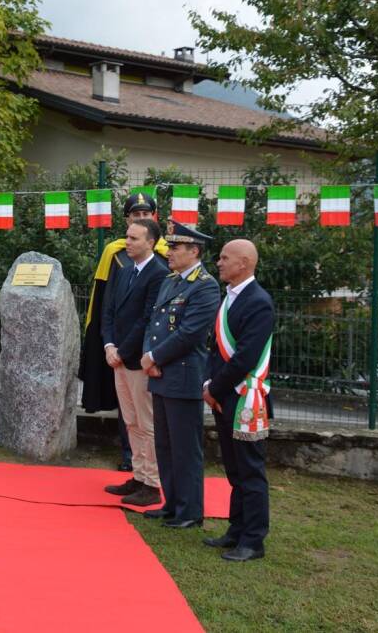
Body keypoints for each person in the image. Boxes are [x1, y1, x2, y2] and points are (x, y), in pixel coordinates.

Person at [79, 191, 169, 471]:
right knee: (128, 411)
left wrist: (126, 349)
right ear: (128, 219)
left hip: (146, 349)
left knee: (147, 414)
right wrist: (108, 345)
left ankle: (151, 466)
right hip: (118, 345)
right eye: (135, 214)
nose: (141, 218)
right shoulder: (115, 254)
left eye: (146, 214)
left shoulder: (168, 256)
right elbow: (105, 302)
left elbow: (152, 315)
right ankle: (131, 457)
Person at [139, 220, 220, 529]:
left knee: (185, 447)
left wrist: (154, 356)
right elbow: (154, 323)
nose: (169, 252)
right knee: (165, 444)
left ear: (194, 251)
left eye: (175, 248)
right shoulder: (171, 281)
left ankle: (189, 511)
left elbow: (190, 334)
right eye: (169, 247)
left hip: (183, 376)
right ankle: (171, 503)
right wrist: (150, 356)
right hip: (160, 373)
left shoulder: (205, 285)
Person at [203, 239, 274, 562]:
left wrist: (215, 388)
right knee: (233, 469)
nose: (218, 262)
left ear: (244, 263)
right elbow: (215, 347)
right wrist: (209, 383)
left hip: (245, 398)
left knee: (250, 471)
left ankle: (253, 540)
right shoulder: (230, 297)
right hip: (224, 394)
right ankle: (236, 529)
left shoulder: (258, 301)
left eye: (224, 258)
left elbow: (244, 357)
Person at [100, 218, 168, 507]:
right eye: (127, 237)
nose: (127, 242)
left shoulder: (159, 273)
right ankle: (138, 476)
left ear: (150, 242)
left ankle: (152, 483)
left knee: (146, 422)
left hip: (138, 361)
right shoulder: (125, 271)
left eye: (134, 239)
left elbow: (147, 319)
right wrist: (109, 345)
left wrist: (123, 352)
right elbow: (109, 311)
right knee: (130, 422)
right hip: (119, 358)